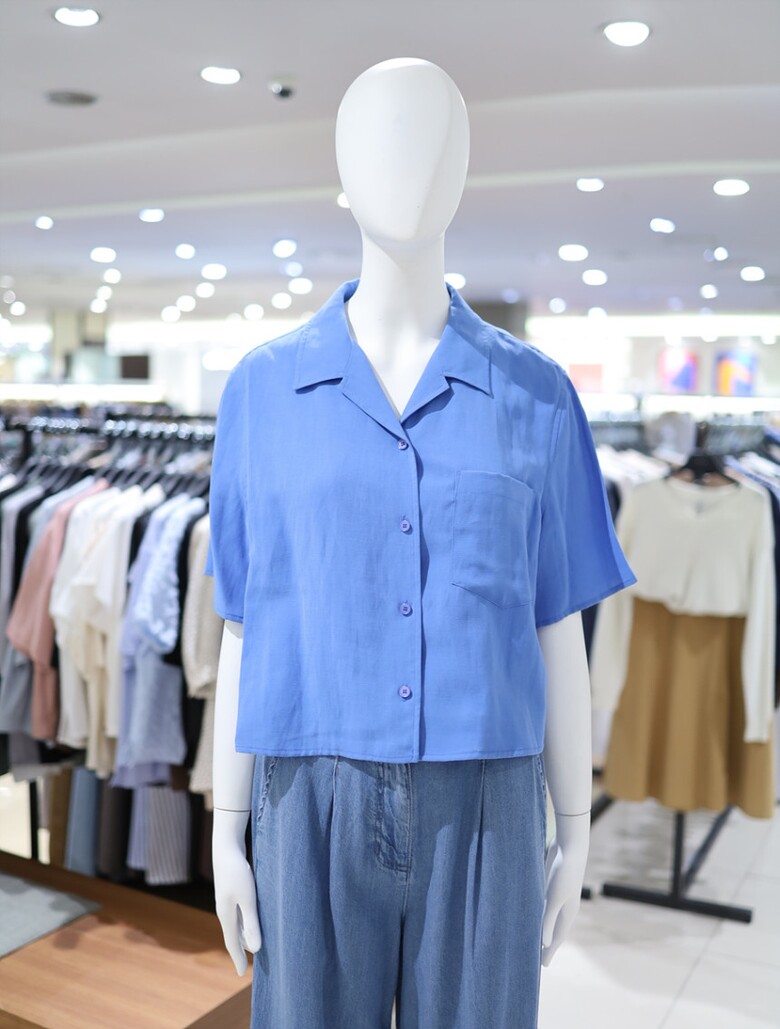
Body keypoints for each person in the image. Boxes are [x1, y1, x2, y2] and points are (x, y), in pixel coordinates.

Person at [208, 58, 635, 1029]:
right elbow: (241, 623)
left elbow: (558, 624)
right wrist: (228, 826)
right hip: (308, 792)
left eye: (436, 138)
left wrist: (574, 823)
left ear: (467, 167)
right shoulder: (262, 390)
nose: (409, 166)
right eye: (380, 140)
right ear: (340, 173)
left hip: (486, 800)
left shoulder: (536, 395)